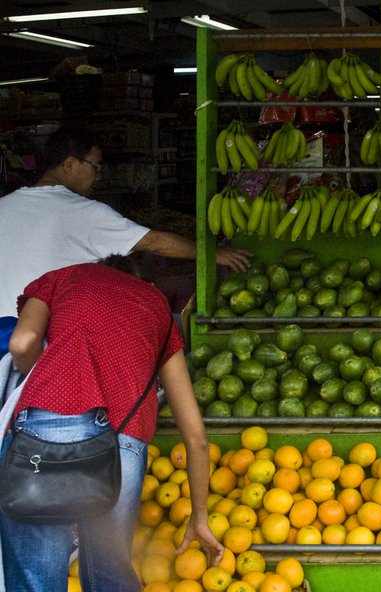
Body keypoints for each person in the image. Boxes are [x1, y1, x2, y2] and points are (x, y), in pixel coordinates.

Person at [1, 256, 224, 591]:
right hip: (122, 447)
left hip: (44, 434)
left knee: (37, 580)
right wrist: (200, 518)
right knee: (109, 576)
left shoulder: (63, 278)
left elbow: (21, 343)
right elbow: (196, 437)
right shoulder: (155, 304)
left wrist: (42, 379)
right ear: (141, 281)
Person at [0, 126, 251, 349]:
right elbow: (155, 242)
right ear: (69, 164)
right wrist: (213, 254)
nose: (99, 176)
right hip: (45, 342)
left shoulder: (4, 206)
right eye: (96, 167)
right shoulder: (82, 212)